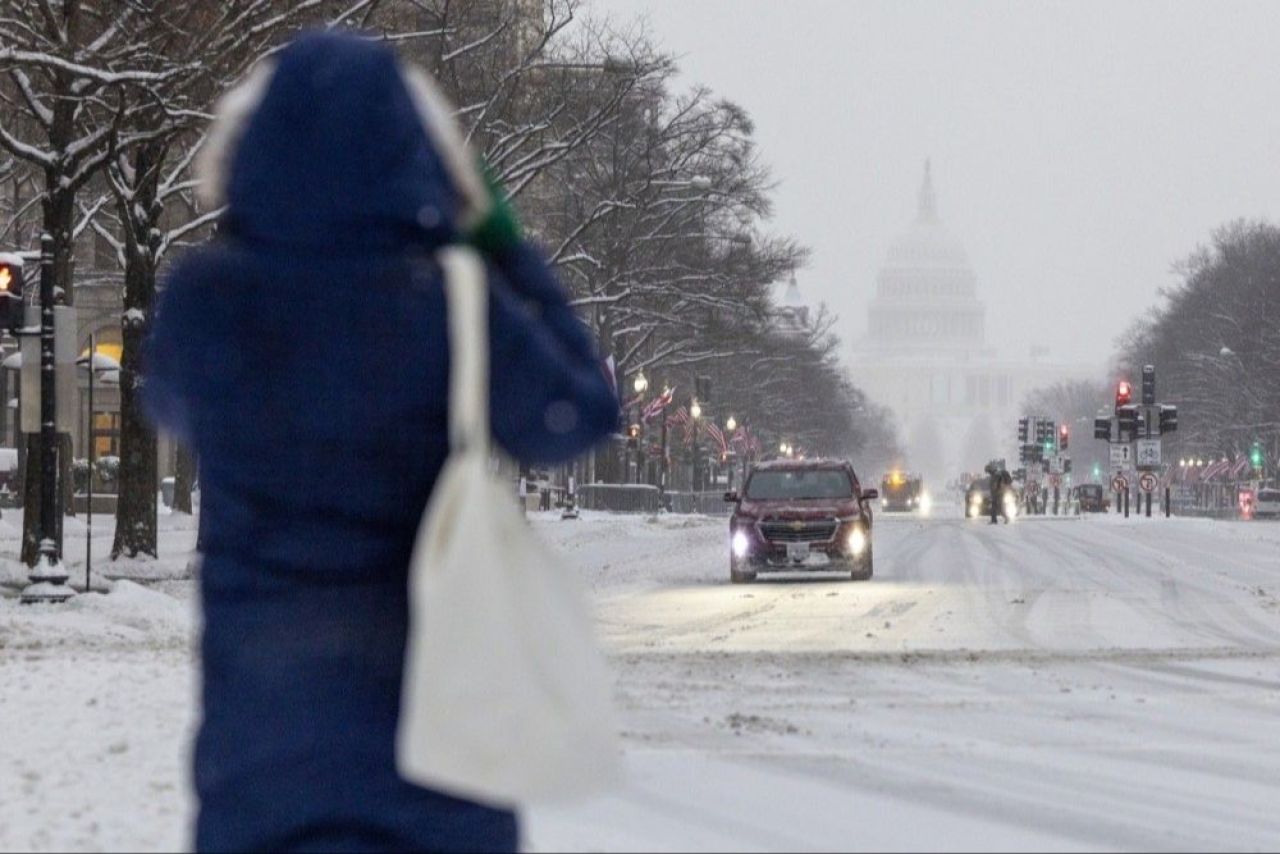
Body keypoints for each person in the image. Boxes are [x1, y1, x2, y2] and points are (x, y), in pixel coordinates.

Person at [143, 32, 618, 853]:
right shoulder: (449, 301)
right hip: (439, 751)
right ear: (418, 156)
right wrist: (498, 241)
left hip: (262, 758)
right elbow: (577, 413)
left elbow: (175, 407)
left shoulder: (204, 301)